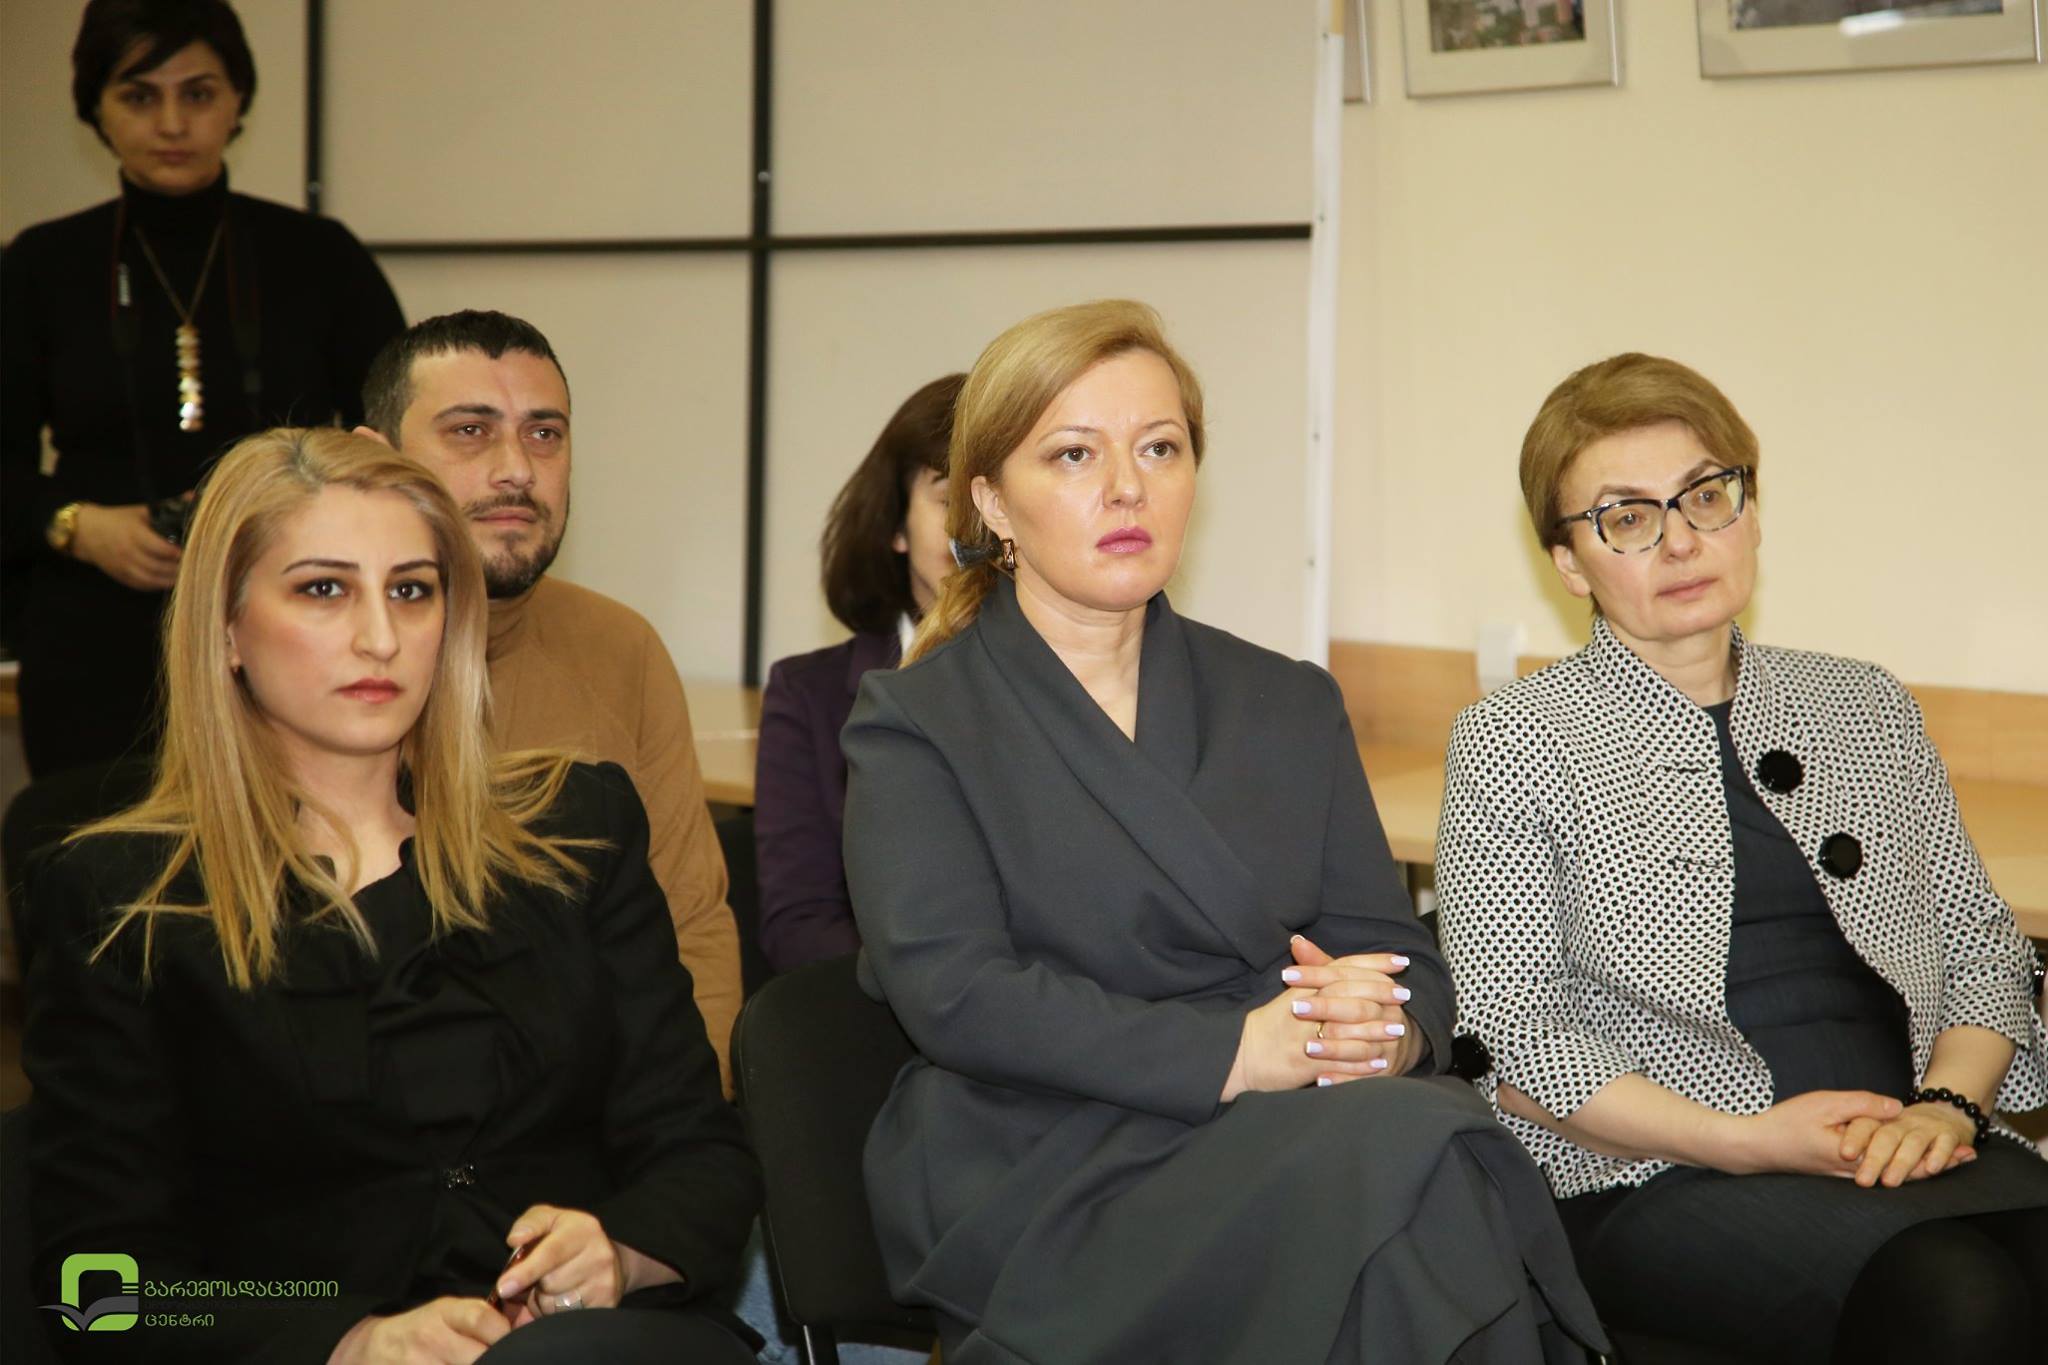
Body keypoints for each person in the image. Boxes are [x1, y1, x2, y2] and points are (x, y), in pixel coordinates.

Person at [840, 300, 1605, 1363]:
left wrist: (1379, 1030)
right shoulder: (917, 720)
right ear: (992, 502)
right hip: (1039, 1147)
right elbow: (959, 995)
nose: (1127, 487)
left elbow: (1401, 956)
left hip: (1293, 1124)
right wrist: (1238, 1049)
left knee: (1410, 1158)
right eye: (1073, 454)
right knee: (1422, 1161)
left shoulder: (1286, 701)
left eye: (1159, 448)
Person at [24, 428, 760, 1365]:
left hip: (597, 1345)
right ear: (227, 629)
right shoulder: (120, 899)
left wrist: (618, 1253)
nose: (380, 637)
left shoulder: (577, 830)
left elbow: (702, 1156)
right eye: (323, 590)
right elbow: (99, 1291)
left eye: (411, 591)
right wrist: (348, 1338)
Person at [1435, 353, 2048, 1363]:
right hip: (1649, 1170)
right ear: (1570, 563)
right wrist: (1742, 1140)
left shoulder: (1863, 704)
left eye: (1705, 496)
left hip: (1904, 1137)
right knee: (1957, 1303)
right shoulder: (1516, 738)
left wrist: (1945, 1107)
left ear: (1748, 512)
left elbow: (1984, 950)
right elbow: (1513, 1032)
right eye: (1626, 517)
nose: (1679, 540)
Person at [0, 0, 403, 777]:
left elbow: (392, 444)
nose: (172, 123)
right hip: (95, 638)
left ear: (238, 99)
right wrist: (76, 524)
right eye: (139, 95)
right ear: (95, 108)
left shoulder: (320, 257)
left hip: (291, 623)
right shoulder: (40, 267)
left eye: (199, 93)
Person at [356, 310, 743, 1089]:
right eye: (470, 432)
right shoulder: (318, 657)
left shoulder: (620, 646)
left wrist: (689, 1124)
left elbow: (692, 928)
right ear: (376, 460)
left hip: (604, 1117)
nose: (517, 470)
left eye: (544, 434)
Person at [754, 373, 963, 973]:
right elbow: (801, 926)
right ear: (897, 526)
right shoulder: (808, 695)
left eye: (1000, 497)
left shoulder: (1085, 680)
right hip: (883, 1012)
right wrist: (950, 992)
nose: (976, 528)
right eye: (950, 500)